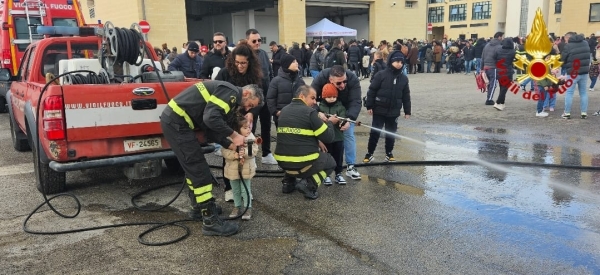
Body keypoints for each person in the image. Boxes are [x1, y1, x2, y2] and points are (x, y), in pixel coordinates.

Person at [160, 80, 263, 236]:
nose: (247, 109)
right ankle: (210, 222)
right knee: (199, 171)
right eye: (250, 104)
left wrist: (232, 146)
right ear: (247, 93)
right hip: (177, 124)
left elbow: (211, 128)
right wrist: (234, 136)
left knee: (194, 170)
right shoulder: (232, 93)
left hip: (177, 123)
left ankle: (198, 208)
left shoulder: (228, 94)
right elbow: (211, 119)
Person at [215, 41, 264, 202]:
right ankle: (229, 186)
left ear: (250, 62)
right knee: (229, 152)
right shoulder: (224, 73)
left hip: (247, 118)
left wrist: (252, 113)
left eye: (243, 63)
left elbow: (260, 99)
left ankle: (245, 185)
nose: (240, 66)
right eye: (237, 62)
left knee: (247, 150)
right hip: (228, 118)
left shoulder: (255, 76)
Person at [274, 85, 337, 199]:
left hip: (282, 162)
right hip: (302, 163)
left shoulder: (284, 111)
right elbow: (329, 137)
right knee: (331, 162)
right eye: (312, 98)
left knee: (292, 148)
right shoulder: (310, 113)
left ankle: (288, 183)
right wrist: (330, 122)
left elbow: (296, 134)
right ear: (302, 96)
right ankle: (309, 185)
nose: (314, 102)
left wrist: (316, 141)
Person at [312, 65, 362, 180]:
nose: (343, 85)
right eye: (339, 83)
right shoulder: (321, 77)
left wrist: (349, 119)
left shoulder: (353, 79)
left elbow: (356, 101)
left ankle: (350, 166)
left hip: (346, 109)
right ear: (330, 80)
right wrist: (318, 112)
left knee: (348, 134)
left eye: (345, 81)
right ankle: (321, 167)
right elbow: (311, 96)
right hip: (326, 109)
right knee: (322, 137)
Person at [363, 51, 411, 163]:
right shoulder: (381, 75)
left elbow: (406, 96)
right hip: (379, 109)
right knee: (375, 132)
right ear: (391, 61)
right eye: (396, 61)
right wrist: (369, 105)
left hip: (394, 111)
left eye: (401, 62)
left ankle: (389, 153)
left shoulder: (404, 78)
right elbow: (372, 91)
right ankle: (369, 153)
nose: (399, 64)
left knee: (391, 133)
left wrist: (407, 111)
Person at [246, 29, 276, 165]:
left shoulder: (264, 54)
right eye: (254, 41)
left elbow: (270, 75)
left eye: (259, 40)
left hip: (265, 97)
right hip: (251, 100)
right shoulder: (245, 56)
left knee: (266, 126)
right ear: (248, 41)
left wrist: (270, 94)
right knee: (249, 127)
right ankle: (250, 154)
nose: (258, 43)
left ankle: (266, 153)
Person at [221, 116, 258, 220]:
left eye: (249, 127)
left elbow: (252, 152)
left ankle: (248, 208)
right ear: (237, 129)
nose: (249, 130)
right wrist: (234, 155)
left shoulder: (251, 138)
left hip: (245, 169)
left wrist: (244, 153)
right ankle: (237, 207)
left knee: (245, 189)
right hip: (232, 170)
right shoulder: (229, 139)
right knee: (235, 190)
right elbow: (224, 151)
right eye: (245, 128)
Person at [318, 83, 347, 185]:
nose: (332, 99)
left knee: (338, 156)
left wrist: (340, 121)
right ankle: (326, 175)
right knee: (326, 156)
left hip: (338, 137)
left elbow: (343, 118)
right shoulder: (320, 108)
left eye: (334, 97)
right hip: (326, 138)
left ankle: (338, 174)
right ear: (324, 97)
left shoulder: (340, 107)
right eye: (329, 97)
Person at [267, 54, 305, 126]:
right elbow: (270, 98)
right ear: (287, 64)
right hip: (281, 117)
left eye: (296, 61)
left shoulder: (300, 81)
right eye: (293, 62)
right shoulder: (276, 81)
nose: (297, 63)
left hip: (298, 117)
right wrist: (276, 112)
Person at [560, 32, 591, 119]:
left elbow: (562, 59)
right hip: (584, 72)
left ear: (568, 38)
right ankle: (584, 113)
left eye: (565, 39)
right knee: (583, 93)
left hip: (573, 73)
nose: (565, 41)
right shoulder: (585, 43)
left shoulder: (568, 46)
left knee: (569, 93)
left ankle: (567, 113)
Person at [492, 37, 516, 111]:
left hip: (499, 71)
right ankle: (498, 102)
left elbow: (494, 57)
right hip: (508, 71)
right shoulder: (513, 51)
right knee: (504, 88)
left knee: (502, 87)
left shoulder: (498, 50)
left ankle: (502, 103)